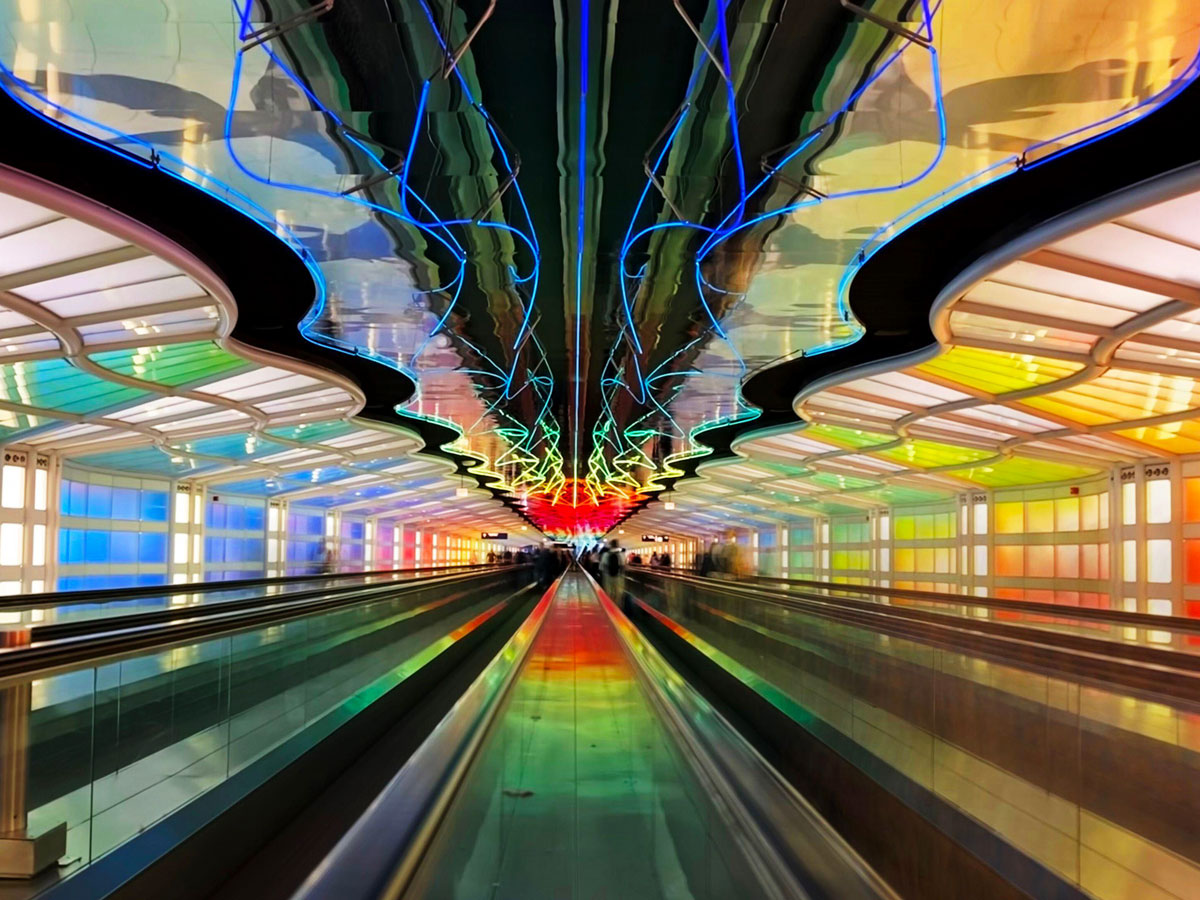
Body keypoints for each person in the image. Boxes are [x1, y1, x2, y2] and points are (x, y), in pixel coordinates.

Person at [599, 539, 626, 609]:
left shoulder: (605, 554)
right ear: (617, 545)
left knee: (609, 592)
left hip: (607, 576)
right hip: (619, 576)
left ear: (610, 545)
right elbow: (624, 567)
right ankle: (617, 608)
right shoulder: (621, 554)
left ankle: (609, 608)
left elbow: (601, 567)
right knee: (618, 593)